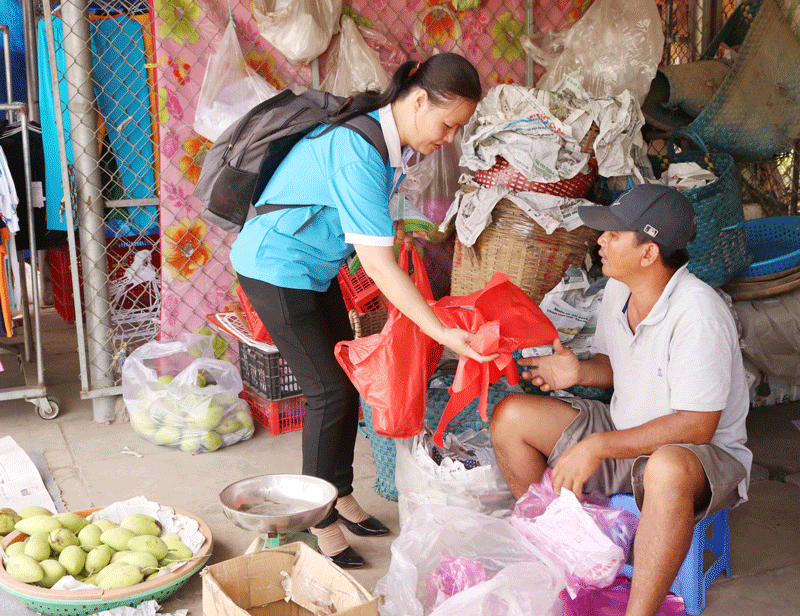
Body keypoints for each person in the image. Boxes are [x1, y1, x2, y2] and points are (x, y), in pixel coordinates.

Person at [229, 53, 495, 569]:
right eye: (449, 124)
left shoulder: (383, 141)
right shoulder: (357, 146)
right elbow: (378, 265)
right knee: (326, 389)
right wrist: (438, 327)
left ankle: (339, 492)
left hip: (312, 267)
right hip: (276, 266)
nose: (449, 138)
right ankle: (317, 517)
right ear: (419, 101)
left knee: (343, 378)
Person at [490, 183, 751, 616]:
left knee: (665, 468)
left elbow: (695, 426)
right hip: (625, 426)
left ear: (649, 253)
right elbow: (617, 366)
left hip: (699, 455)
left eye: (614, 234)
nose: (601, 241)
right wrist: (579, 372)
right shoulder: (619, 290)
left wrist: (596, 446)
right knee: (512, 417)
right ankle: (565, 558)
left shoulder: (699, 315)